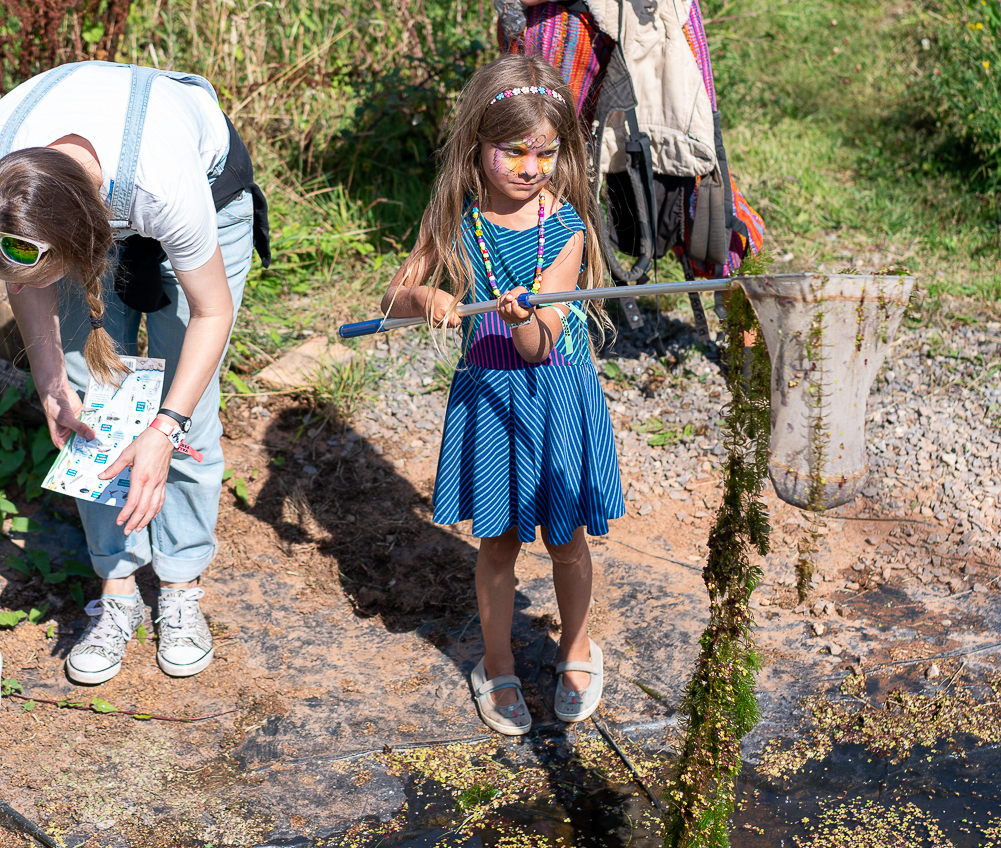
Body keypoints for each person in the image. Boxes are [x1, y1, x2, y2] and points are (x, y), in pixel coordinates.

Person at [0, 60, 269, 684]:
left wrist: (165, 425)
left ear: (88, 245)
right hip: (76, 200)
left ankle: (179, 585)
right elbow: (25, 276)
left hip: (205, 189)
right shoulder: (9, 175)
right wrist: (50, 382)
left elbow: (212, 311)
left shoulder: (163, 185)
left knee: (190, 407)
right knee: (92, 411)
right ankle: (118, 592)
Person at [380, 53, 624, 735]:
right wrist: (424, 296)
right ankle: (496, 662)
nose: (529, 166)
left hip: (554, 395)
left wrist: (520, 315)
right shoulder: (455, 219)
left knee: (566, 538)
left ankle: (576, 647)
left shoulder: (566, 232)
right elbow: (392, 295)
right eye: (512, 151)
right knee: (499, 543)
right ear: (477, 146)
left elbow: (541, 343)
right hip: (489, 399)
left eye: (543, 153)